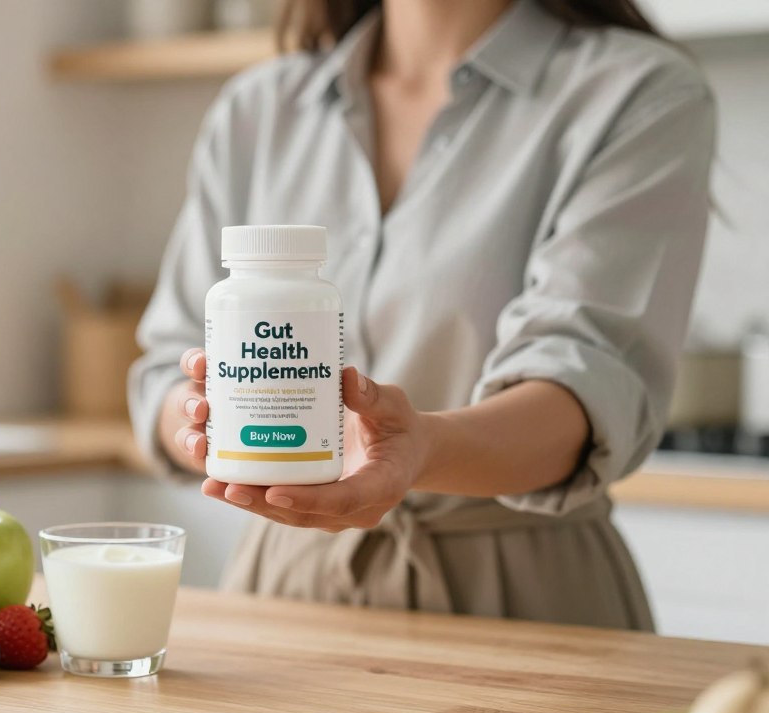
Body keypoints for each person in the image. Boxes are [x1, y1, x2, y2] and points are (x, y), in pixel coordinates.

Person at [128, 0, 716, 629]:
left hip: (522, 595)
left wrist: (419, 449)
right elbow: (166, 366)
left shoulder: (636, 92)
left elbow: (589, 382)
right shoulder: (258, 108)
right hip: (281, 590)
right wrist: (207, 428)